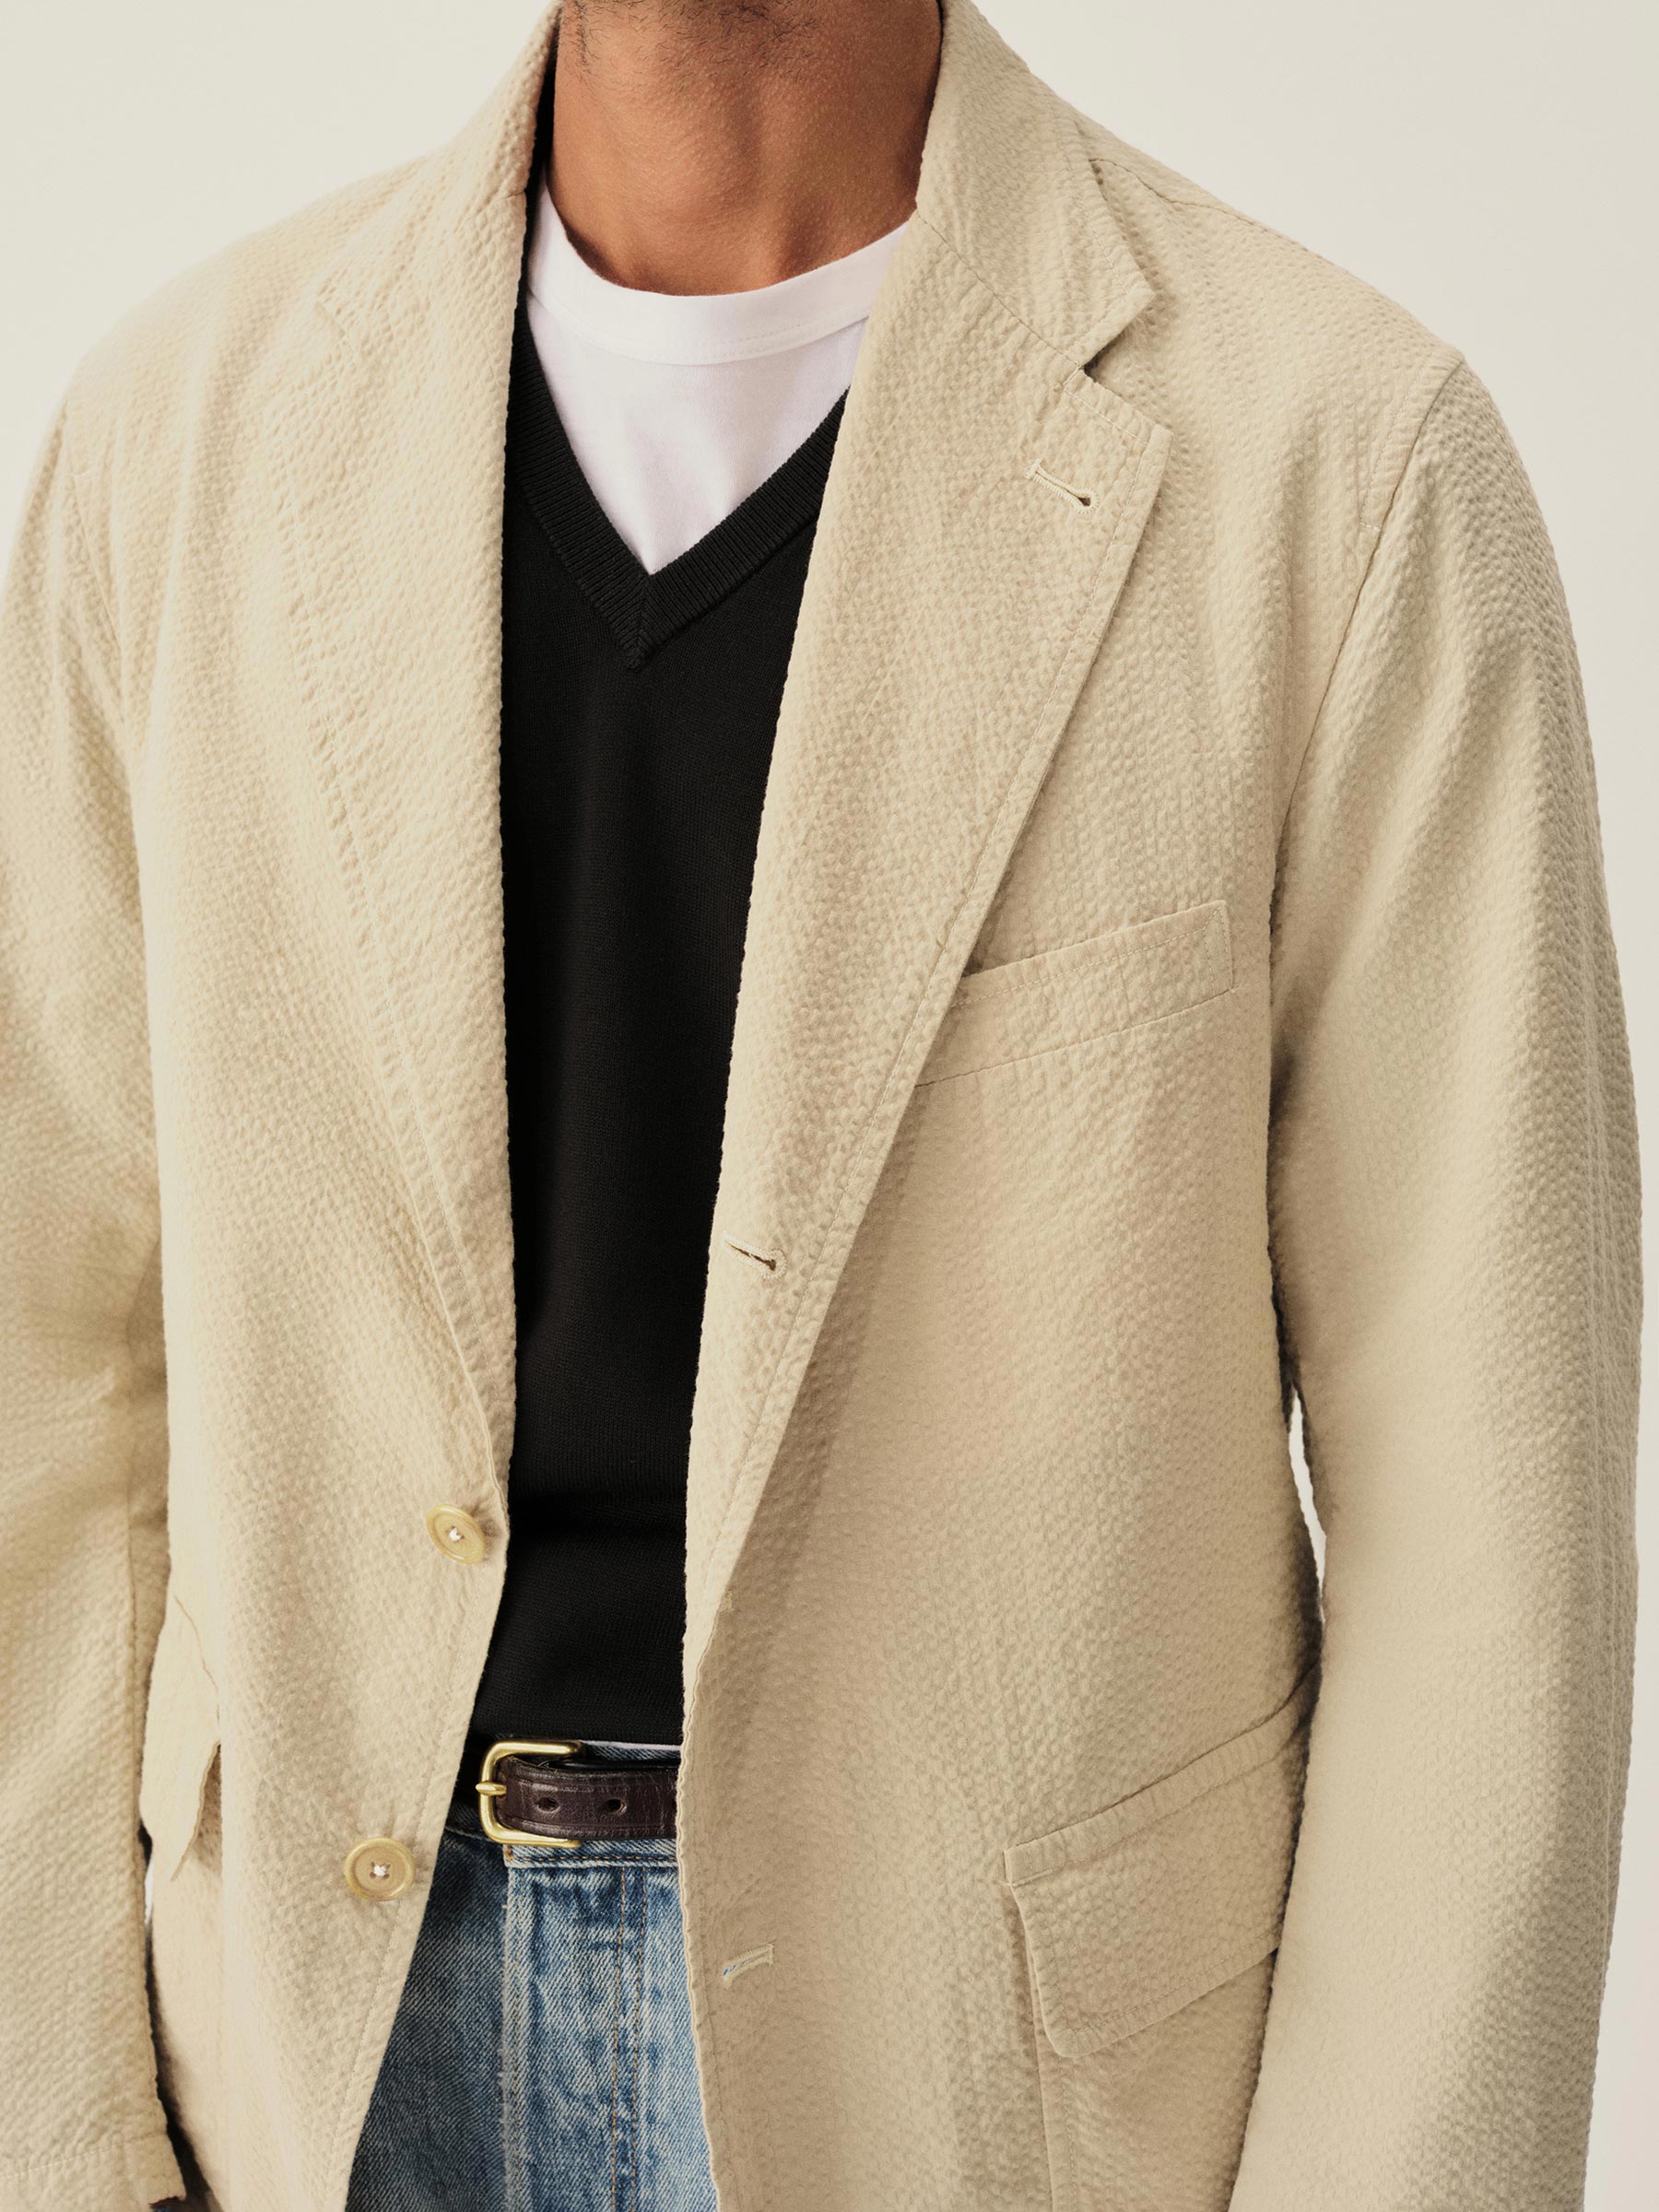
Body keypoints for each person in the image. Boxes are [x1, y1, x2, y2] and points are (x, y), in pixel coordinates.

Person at [0, 0, 1641, 2206]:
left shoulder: (1334, 462)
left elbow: (1489, 1508)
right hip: (300, 2053)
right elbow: (45, 1383)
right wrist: (55, 2135)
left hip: (1002, 2080)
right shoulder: (178, 438)